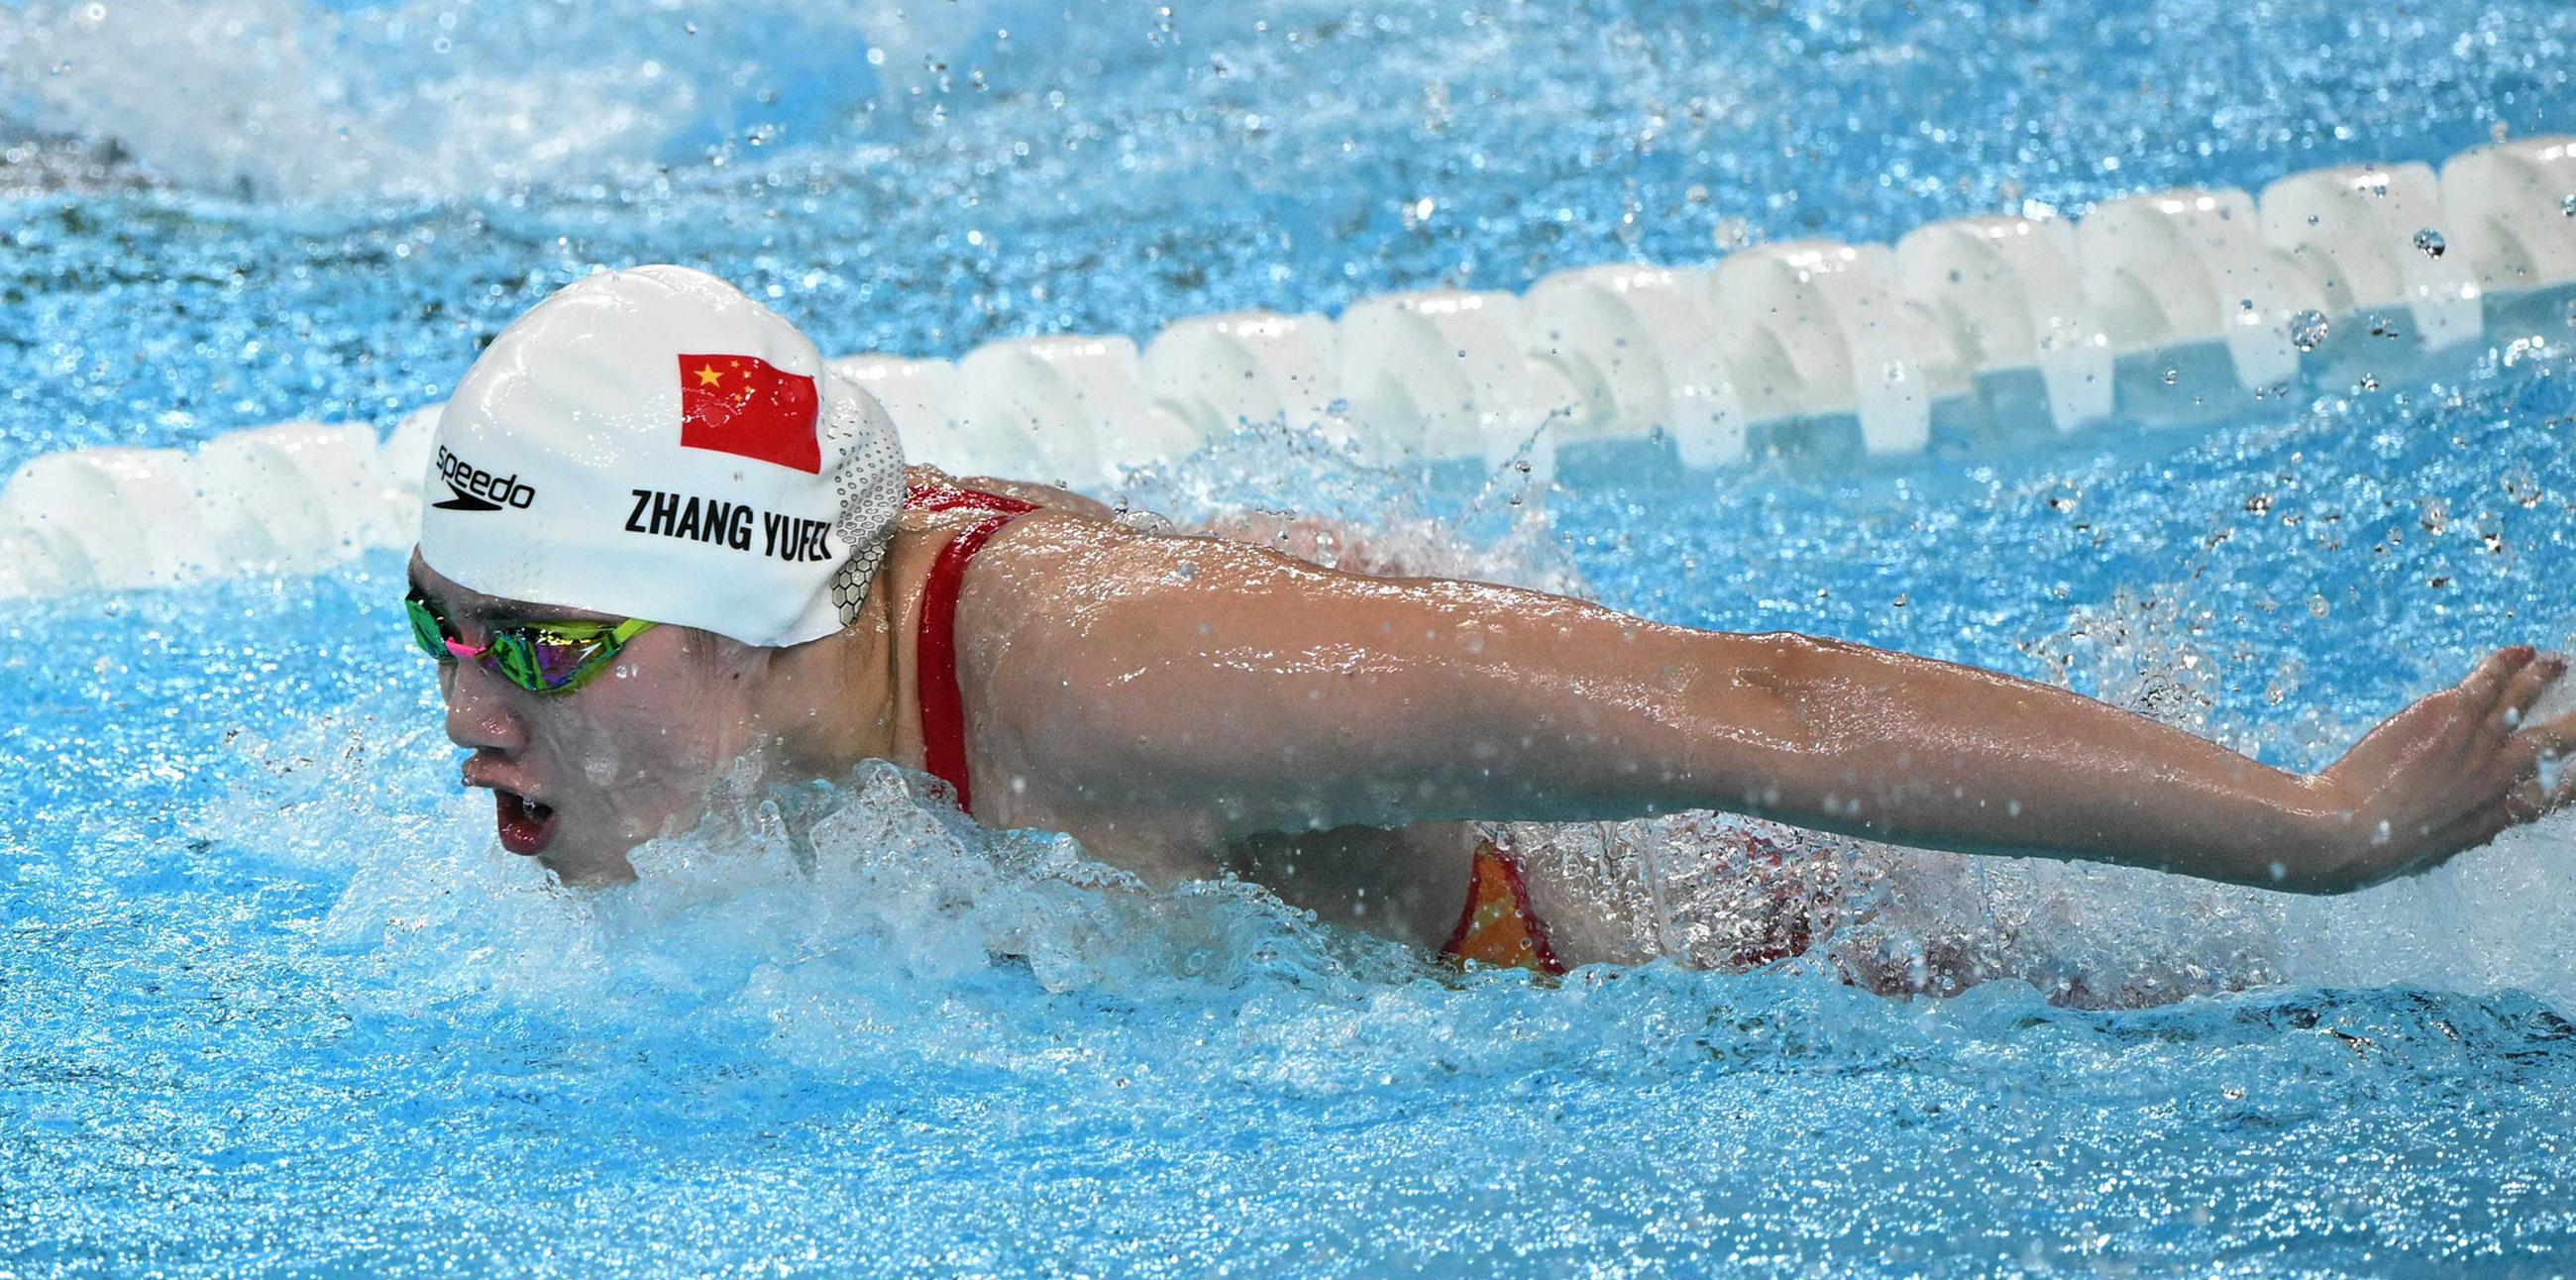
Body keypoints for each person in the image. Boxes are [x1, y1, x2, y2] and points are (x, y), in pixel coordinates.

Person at [405, 265, 2576, 979]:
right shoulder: (795, 650)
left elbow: (1749, 707)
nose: (466, 713)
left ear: (752, 616)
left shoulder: (1116, 683)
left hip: (1794, 934)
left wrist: (2320, 833)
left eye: (544, 643)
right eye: (444, 624)